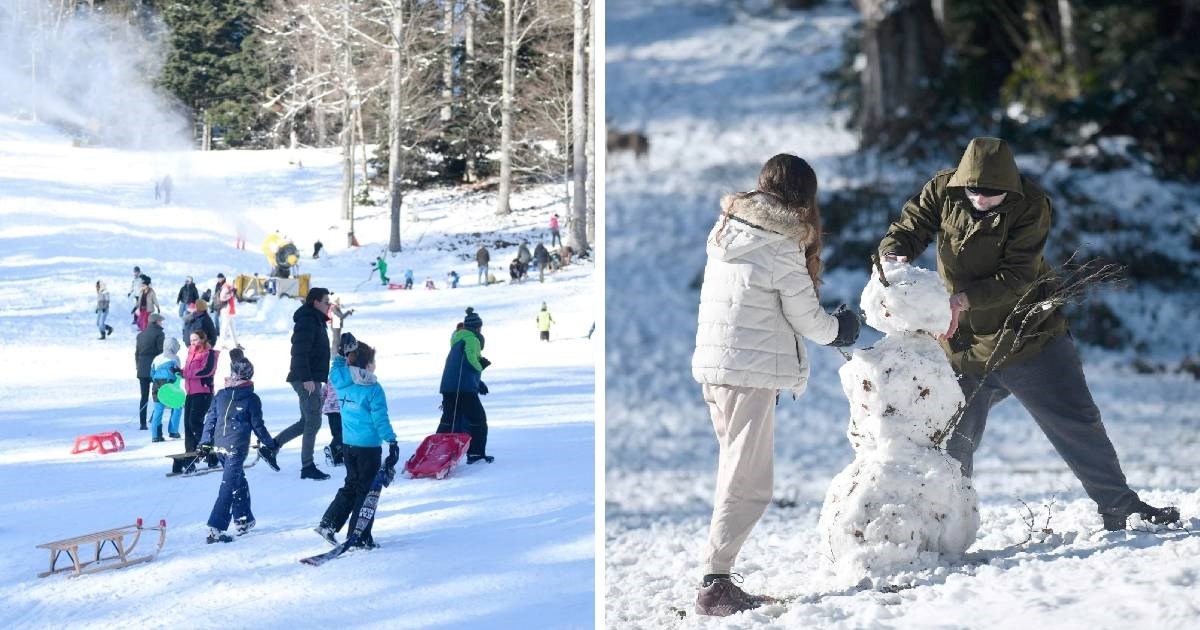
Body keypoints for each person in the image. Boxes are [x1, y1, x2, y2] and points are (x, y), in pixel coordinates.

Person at [877, 136, 1179, 532]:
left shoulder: (1032, 205)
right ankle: (942, 525)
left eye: (992, 194)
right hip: (963, 345)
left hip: (1029, 337)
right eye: (975, 191)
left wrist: (963, 299)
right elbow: (911, 225)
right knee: (951, 441)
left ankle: (1120, 507)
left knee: (1076, 421)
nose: (982, 199)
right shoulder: (943, 189)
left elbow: (1017, 276)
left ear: (1009, 187)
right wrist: (895, 251)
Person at [691, 154, 859, 616]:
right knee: (750, 482)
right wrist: (840, 329)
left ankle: (716, 577)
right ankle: (715, 581)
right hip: (748, 372)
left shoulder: (727, 229)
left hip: (717, 368)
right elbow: (806, 317)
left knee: (735, 472)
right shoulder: (779, 244)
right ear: (804, 195)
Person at [313, 336, 399, 549]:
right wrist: (392, 440)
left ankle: (329, 523)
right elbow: (380, 419)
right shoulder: (373, 388)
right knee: (366, 490)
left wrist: (341, 354)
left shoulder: (341, 381)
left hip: (348, 445)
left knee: (352, 484)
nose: (375, 366)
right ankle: (359, 536)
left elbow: (336, 369)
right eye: (373, 362)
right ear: (368, 365)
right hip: (368, 448)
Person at [198, 348, 279, 543]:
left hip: (220, 447)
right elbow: (258, 426)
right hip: (235, 449)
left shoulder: (221, 394)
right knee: (228, 486)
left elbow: (210, 420)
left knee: (237, 480)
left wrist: (205, 441)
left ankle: (243, 520)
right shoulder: (251, 398)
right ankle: (215, 529)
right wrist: (271, 443)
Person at [265, 287, 333, 480]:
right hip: (305, 379)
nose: (329, 305)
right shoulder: (308, 321)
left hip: (311, 378)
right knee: (314, 421)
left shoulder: (316, 320)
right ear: (316, 302)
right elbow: (299, 352)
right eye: (326, 301)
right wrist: (307, 379)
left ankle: (272, 447)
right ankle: (307, 466)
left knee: (306, 421)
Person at [436, 307, 494, 464]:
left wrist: (478, 383)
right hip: (463, 389)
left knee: (448, 420)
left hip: (449, 387)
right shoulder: (472, 339)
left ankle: (435, 453)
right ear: (478, 327)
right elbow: (470, 359)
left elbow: (461, 367)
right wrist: (480, 365)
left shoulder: (457, 339)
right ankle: (475, 454)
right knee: (478, 420)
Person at [176, 329, 220, 474]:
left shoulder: (210, 353)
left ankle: (209, 450)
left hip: (203, 392)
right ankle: (191, 457)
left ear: (203, 339)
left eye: (196, 339)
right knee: (188, 425)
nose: (193, 342)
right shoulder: (191, 352)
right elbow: (188, 371)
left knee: (194, 421)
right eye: (191, 340)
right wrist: (179, 372)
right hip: (190, 392)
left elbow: (206, 371)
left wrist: (187, 373)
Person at [135, 313, 166, 431]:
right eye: (160, 321)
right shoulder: (159, 334)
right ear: (156, 322)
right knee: (158, 395)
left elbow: (137, 353)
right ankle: (154, 418)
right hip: (154, 369)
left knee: (144, 396)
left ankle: (142, 423)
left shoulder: (140, 335)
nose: (162, 323)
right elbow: (161, 352)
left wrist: (138, 366)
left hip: (142, 369)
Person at [149, 337, 184, 442]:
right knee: (177, 407)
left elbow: (152, 373)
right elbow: (178, 374)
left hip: (157, 386)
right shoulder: (175, 358)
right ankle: (173, 431)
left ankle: (156, 435)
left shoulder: (156, 358)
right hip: (170, 387)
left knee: (158, 410)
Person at [321, 379, 345, 467]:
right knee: (342, 434)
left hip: (329, 410)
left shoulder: (331, 377)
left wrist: (323, 403)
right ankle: (332, 448)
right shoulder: (347, 375)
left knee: (336, 434)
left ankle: (338, 459)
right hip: (340, 409)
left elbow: (323, 391)